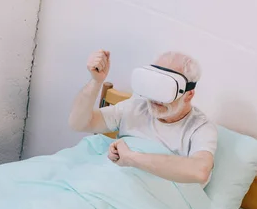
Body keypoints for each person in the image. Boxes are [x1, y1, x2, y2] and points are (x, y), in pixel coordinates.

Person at [68, 50, 217, 186]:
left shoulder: (200, 128)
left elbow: (200, 171)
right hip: (112, 185)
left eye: (166, 90)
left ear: (188, 94)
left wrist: (132, 158)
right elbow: (79, 124)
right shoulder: (135, 107)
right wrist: (96, 81)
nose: (156, 99)